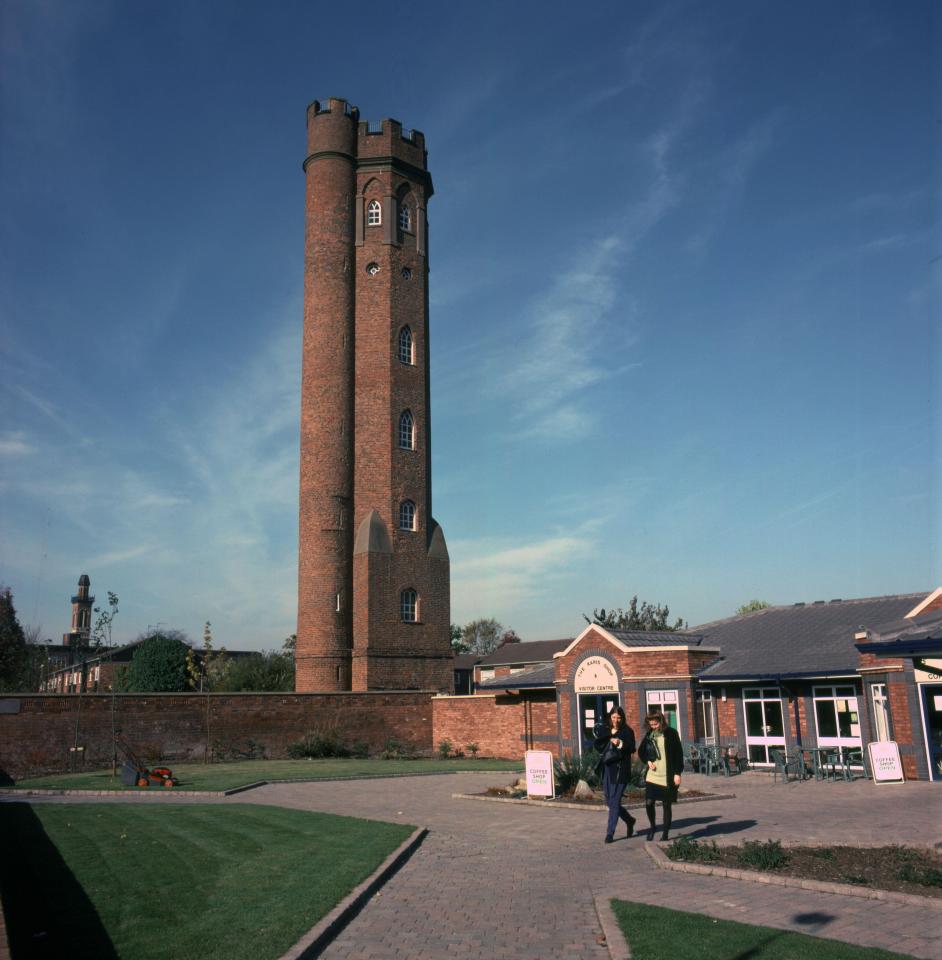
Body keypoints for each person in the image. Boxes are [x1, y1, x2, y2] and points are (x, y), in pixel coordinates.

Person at [637, 709, 683, 841]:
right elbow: (641, 751)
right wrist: (648, 761)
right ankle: (652, 827)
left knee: (666, 805)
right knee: (649, 802)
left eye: (656, 724)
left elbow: (678, 754)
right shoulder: (649, 735)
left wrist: (677, 773)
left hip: (667, 775)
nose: (653, 727)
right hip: (653, 775)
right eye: (651, 725)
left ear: (661, 721)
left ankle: (665, 834)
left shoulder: (671, 734)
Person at [593, 706, 636, 844]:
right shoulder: (606, 729)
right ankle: (629, 820)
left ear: (622, 718)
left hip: (620, 770)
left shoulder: (627, 731)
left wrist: (620, 743)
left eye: (618, 718)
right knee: (609, 801)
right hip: (607, 768)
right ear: (610, 717)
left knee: (615, 801)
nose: (616, 720)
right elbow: (599, 745)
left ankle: (610, 833)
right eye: (613, 717)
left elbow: (632, 748)